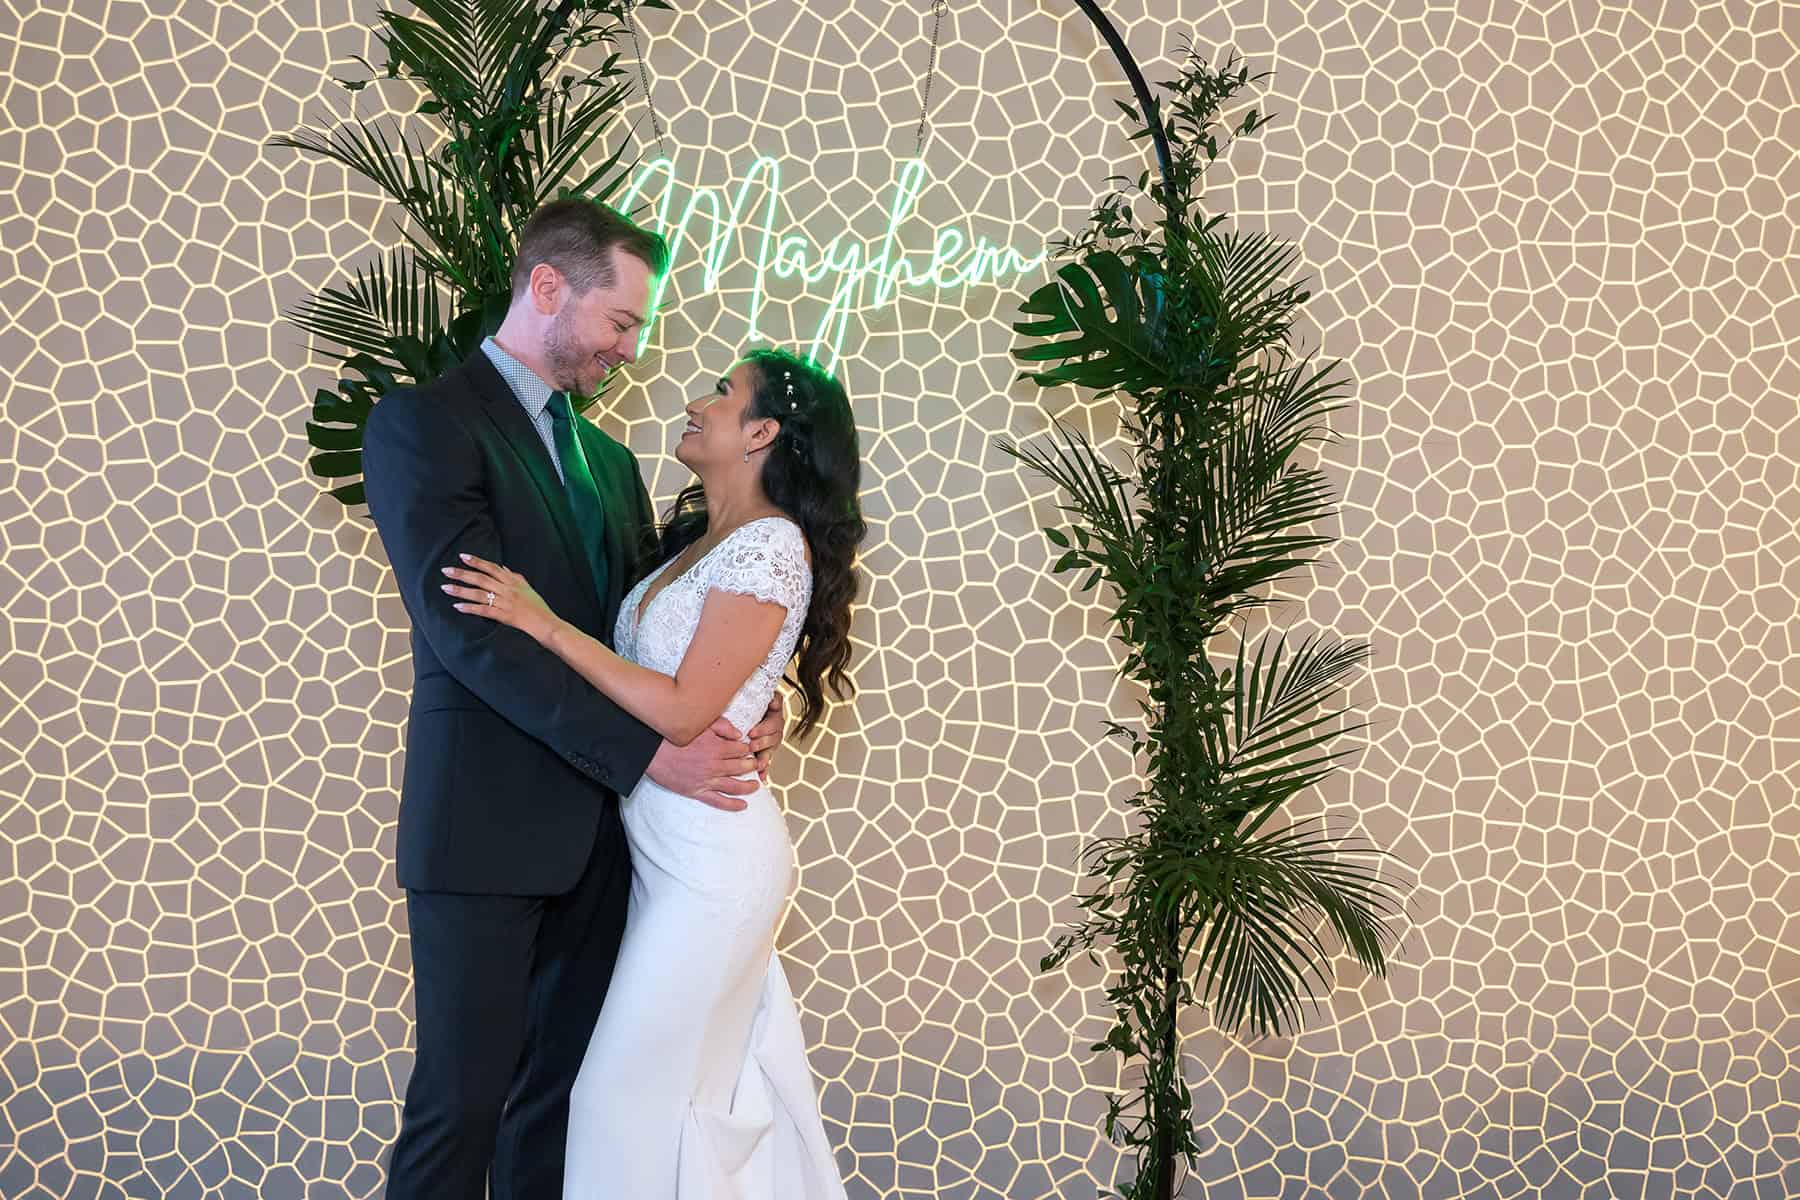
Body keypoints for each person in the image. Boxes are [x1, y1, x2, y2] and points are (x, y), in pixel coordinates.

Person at [360, 199, 794, 1200]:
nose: (631, 349)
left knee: (560, 1114)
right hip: (485, 830)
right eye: (623, 321)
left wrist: (759, 698)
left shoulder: (609, 465)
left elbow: (650, 631)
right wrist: (648, 754)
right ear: (548, 288)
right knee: (459, 1109)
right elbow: (473, 640)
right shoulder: (424, 425)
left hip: (608, 844)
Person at [441, 345, 864, 1199]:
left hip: (713, 864)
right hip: (659, 857)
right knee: (670, 1102)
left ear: (762, 434)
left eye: (724, 393)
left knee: (619, 1098)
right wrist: (762, 703)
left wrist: (542, 623)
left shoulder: (771, 544)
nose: (698, 402)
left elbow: (678, 711)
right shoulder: (702, 541)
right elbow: (705, 677)